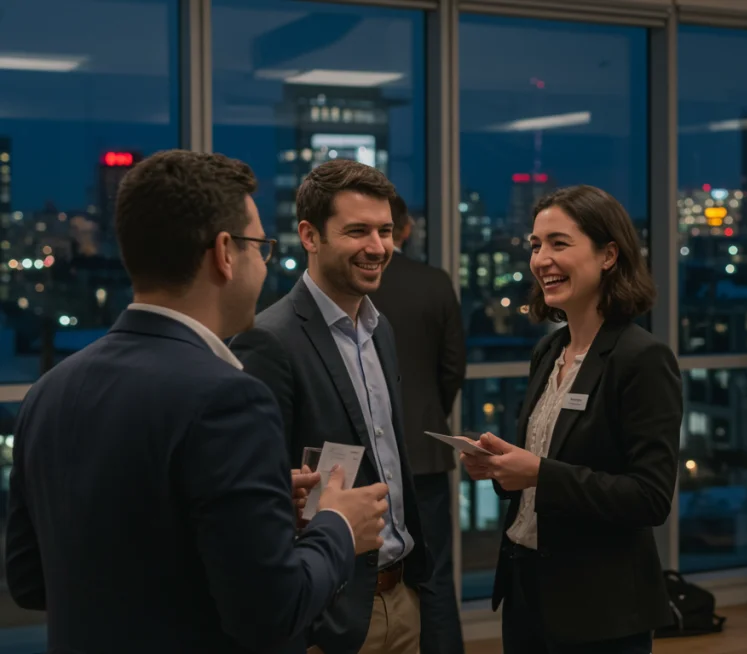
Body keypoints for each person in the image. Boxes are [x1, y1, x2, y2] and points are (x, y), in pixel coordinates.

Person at [4, 150, 389, 653]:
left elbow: (30, 580)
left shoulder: (51, 390)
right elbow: (272, 610)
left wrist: (254, 513)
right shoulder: (228, 399)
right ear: (225, 253)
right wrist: (337, 525)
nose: (263, 264)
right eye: (260, 248)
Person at [459, 185, 681, 654]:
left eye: (559, 243)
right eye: (536, 245)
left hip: (598, 608)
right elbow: (539, 472)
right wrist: (500, 469)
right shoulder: (550, 350)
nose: (542, 259)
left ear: (608, 255)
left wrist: (539, 472)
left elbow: (650, 497)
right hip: (526, 586)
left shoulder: (642, 358)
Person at [231, 160, 428, 654]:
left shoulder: (381, 330)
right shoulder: (268, 341)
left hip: (401, 598)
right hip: (328, 612)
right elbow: (258, 495)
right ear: (310, 236)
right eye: (357, 231)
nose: (378, 247)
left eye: (384, 231)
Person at [369, 195, 467, 654]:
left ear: (394, 231)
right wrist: (429, 413)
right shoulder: (434, 282)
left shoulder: (351, 283)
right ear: (408, 230)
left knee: (363, 579)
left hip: (362, 465)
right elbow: (453, 368)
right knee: (436, 577)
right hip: (426, 454)